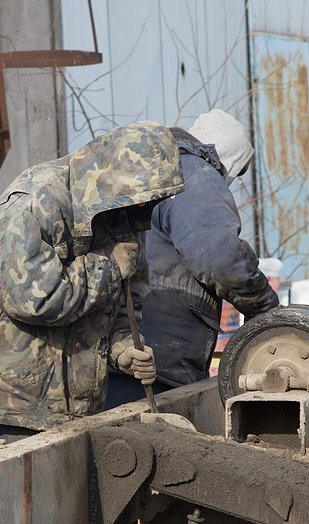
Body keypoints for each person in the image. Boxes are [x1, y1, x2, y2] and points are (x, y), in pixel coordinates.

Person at [0, 120, 184, 524]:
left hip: (78, 393)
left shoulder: (116, 213)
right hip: (20, 398)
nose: (142, 218)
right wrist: (109, 268)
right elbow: (35, 299)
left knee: (91, 522)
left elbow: (120, 303)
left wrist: (122, 348)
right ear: (113, 177)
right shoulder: (35, 203)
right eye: (140, 200)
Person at [104, 108, 279, 408]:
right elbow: (223, 262)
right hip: (158, 364)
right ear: (228, 164)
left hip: (127, 353)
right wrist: (268, 311)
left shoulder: (156, 170)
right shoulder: (195, 173)